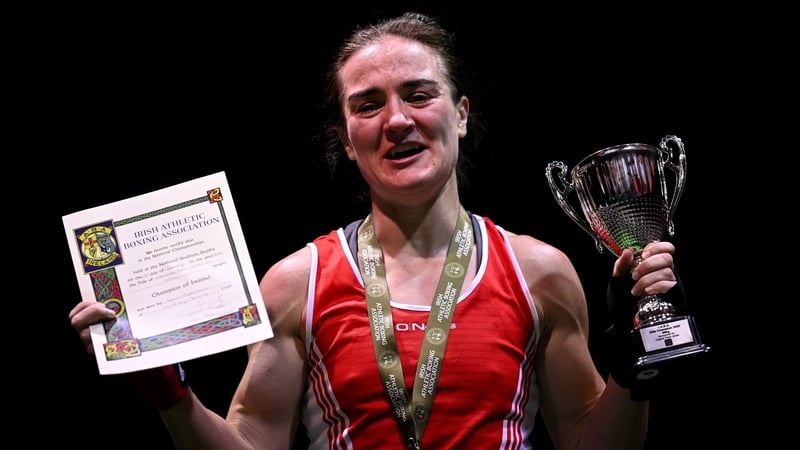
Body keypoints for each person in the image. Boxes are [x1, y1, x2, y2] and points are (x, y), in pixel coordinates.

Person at [70, 11, 686, 450]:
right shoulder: (297, 283)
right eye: (368, 104)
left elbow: (588, 441)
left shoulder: (539, 272)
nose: (396, 120)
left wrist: (634, 371)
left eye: (418, 95)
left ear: (460, 115)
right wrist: (172, 398)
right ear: (346, 139)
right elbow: (251, 442)